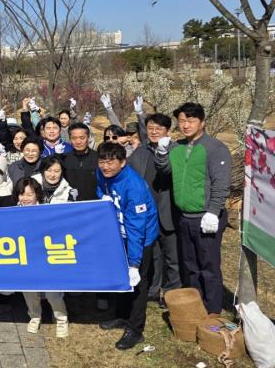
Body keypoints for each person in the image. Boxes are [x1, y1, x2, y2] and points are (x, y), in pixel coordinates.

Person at [154, 102, 231, 315]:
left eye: (191, 120)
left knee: (209, 266)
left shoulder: (215, 148)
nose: (186, 125)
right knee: (190, 265)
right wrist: (161, 153)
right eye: (182, 121)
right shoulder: (176, 147)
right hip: (184, 216)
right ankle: (196, 308)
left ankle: (212, 311)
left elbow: (221, 183)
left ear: (202, 122)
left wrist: (213, 211)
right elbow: (164, 170)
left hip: (206, 216)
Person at [96, 142, 159, 350]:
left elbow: (136, 229)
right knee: (120, 277)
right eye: (102, 161)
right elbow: (100, 187)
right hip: (119, 234)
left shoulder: (134, 186)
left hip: (140, 237)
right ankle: (122, 316)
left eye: (110, 162)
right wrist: (102, 198)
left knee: (137, 282)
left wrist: (134, 263)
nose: (105, 166)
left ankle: (135, 329)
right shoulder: (101, 173)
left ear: (122, 162)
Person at [127, 112, 181, 307]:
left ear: (168, 131)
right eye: (150, 128)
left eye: (159, 128)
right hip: (147, 214)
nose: (154, 132)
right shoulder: (140, 152)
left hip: (169, 211)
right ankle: (153, 290)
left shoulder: (176, 150)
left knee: (172, 257)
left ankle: (171, 293)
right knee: (154, 254)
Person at [11, 178, 70, 338]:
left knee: (53, 294)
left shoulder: (47, 211)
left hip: (47, 259)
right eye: (22, 194)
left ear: (37, 195)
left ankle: (61, 319)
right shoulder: (11, 213)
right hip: (25, 259)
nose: (25, 198)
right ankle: (35, 316)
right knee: (29, 292)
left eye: (30, 194)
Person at [62, 123, 99, 201]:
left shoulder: (98, 158)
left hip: (94, 203)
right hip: (71, 203)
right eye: (74, 138)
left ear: (88, 137)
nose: (78, 142)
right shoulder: (64, 159)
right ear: (70, 139)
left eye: (82, 138)